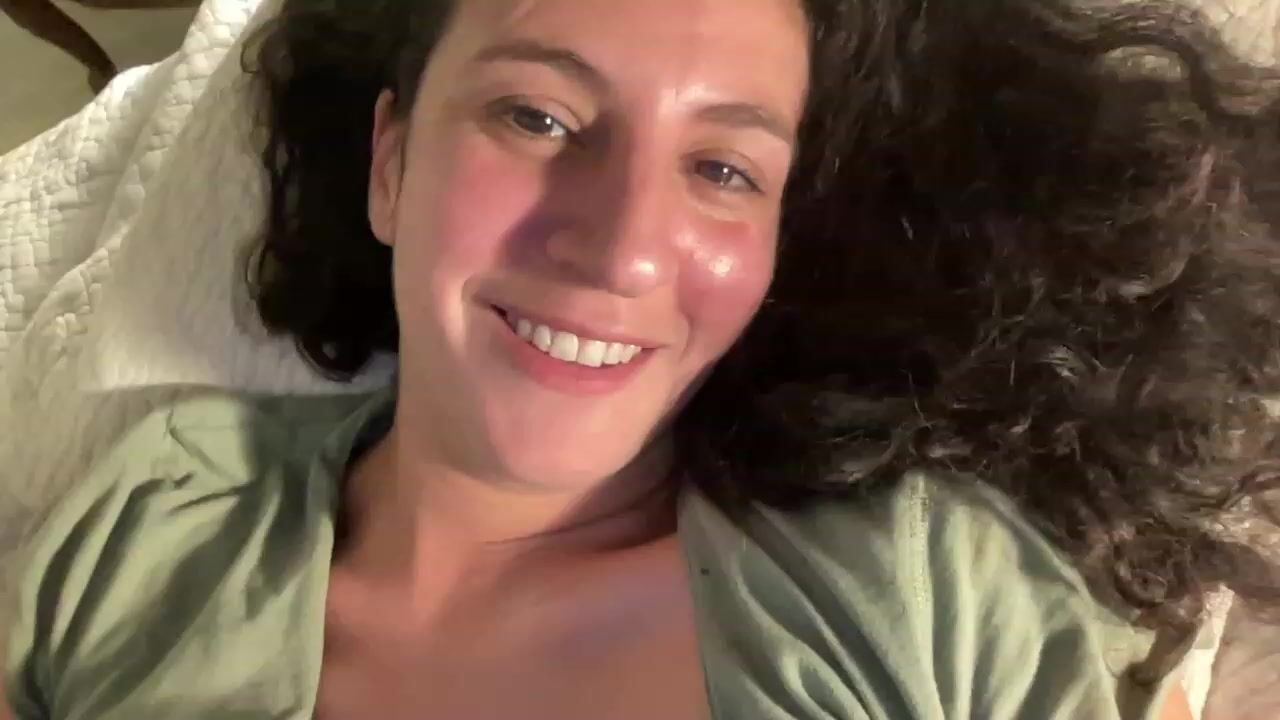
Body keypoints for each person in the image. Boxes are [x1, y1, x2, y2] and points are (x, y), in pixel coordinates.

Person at [3, 0, 1279, 717]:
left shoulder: (920, 591)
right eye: (536, 115)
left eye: (722, 169)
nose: (619, 250)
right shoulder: (167, 516)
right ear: (389, 164)